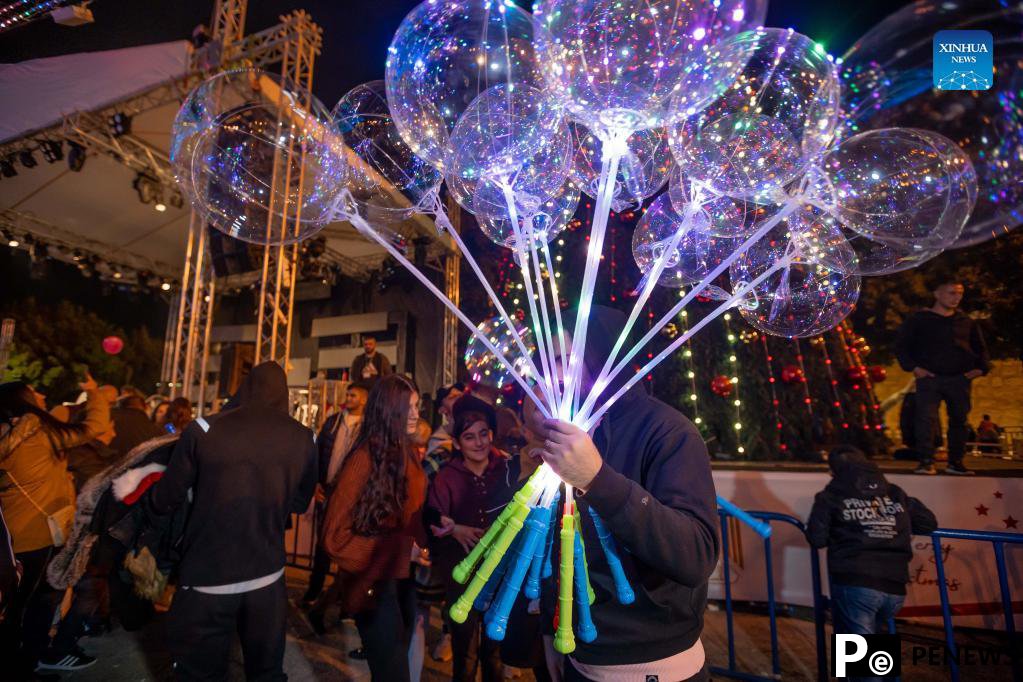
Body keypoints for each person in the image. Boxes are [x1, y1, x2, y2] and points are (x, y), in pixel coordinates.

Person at [526, 306, 719, 682]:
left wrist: (597, 478)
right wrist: (551, 626)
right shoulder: (569, 433)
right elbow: (556, 540)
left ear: (606, 358)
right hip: (579, 657)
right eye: (550, 363)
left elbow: (696, 554)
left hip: (657, 665)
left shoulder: (668, 432)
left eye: (570, 360)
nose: (557, 376)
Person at [145, 361, 318, 681]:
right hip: (268, 575)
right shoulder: (303, 437)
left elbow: (164, 498)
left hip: (207, 572)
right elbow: (300, 501)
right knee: (266, 670)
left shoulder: (204, 428)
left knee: (198, 670)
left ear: (247, 386)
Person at [0, 375, 111, 675]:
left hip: (13, 533)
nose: (39, 397)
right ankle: (24, 664)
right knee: (41, 602)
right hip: (45, 530)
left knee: (15, 607)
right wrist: (94, 393)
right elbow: (94, 427)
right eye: (32, 394)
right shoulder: (41, 431)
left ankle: (20, 662)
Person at [320, 374, 426, 680]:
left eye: (417, 406)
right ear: (387, 410)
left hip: (402, 579)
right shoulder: (364, 459)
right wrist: (406, 552)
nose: (416, 415)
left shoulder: (406, 451)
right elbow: (334, 538)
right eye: (408, 407)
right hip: (373, 586)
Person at [807, 445, 938, 667]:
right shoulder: (894, 492)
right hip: (894, 587)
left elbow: (816, 538)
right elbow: (928, 522)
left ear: (834, 472)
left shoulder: (831, 495)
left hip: (855, 583)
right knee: (876, 659)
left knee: (862, 666)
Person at [428, 394, 521, 682]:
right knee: (465, 652)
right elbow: (433, 519)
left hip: (500, 576)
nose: (479, 442)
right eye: (469, 437)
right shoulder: (446, 477)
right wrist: (453, 528)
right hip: (463, 578)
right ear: (457, 443)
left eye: (484, 434)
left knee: (494, 652)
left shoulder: (506, 469)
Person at [896, 279, 989, 475]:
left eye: (959, 293)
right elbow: (902, 346)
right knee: (926, 419)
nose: (956, 298)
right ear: (937, 294)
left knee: (959, 420)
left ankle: (956, 462)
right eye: (951, 293)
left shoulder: (966, 322)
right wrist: (914, 368)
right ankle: (926, 461)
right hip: (929, 377)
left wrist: (980, 369)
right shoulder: (919, 320)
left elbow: (979, 347)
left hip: (959, 378)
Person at [302, 382, 370, 606]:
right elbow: (317, 453)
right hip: (328, 491)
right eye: (347, 394)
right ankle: (314, 590)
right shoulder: (333, 422)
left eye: (353, 395)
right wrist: (315, 482)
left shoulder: (368, 428)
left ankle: (342, 598)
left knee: (348, 545)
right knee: (322, 543)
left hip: (352, 496)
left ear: (364, 400)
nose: (348, 398)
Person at [424, 382, 465, 479]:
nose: (460, 398)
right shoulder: (439, 449)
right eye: (453, 397)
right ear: (442, 410)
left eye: (461, 395)